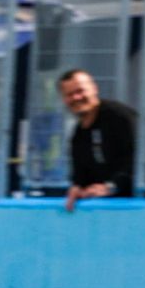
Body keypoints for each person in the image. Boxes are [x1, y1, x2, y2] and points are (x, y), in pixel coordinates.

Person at [58, 68, 136, 210]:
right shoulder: (78, 134)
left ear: (94, 89)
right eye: (70, 95)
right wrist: (77, 189)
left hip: (133, 203)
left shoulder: (120, 117)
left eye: (80, 91)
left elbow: (136, 159)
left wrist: (111, 186)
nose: (76, 98)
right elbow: (79, 175)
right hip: (100, 208)